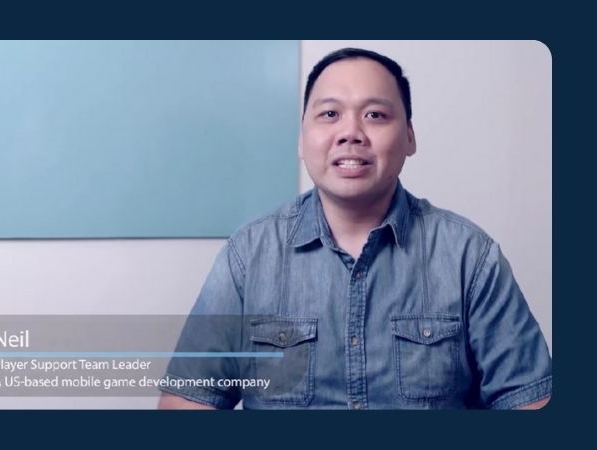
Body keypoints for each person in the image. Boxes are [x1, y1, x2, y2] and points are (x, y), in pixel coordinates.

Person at [157, 48, 552, 409]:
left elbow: (530, 400)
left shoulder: (468, 255)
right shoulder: (249, 254)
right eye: (330, 114)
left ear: (410, 136)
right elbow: (187, 402)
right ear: (301, 139)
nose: (351, 133)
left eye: (375, 115)